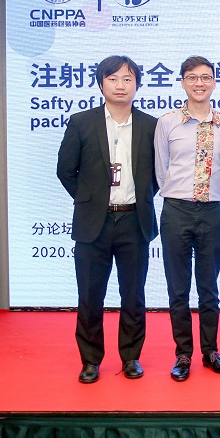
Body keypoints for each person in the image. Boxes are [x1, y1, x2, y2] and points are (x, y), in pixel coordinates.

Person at [57, 55, 159, 383]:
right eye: (113, 79)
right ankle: (90, 360)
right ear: (101, 83)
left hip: (134, 221)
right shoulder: (81, 122)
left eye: (127, 79)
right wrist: (90, 200)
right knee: (90, 295)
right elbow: (65, 170)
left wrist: (141, 196)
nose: (120, 85)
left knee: (133, 295)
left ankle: (131, 357)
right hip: (94, 223)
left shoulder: (151, 125)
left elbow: (159, 174)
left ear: (137, 84)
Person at [154, 56, 220, 382]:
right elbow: (162, 169)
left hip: (211, 212)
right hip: (176, 211)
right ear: (183, 82)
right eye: (192, 77)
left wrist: (215, 196)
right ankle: (183, 354)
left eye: (205, 77)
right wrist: (178, 194)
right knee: (178, 289)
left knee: (209, 288)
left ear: (214, 82)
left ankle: (211, 351)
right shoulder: (167, 123)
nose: (199, 83)